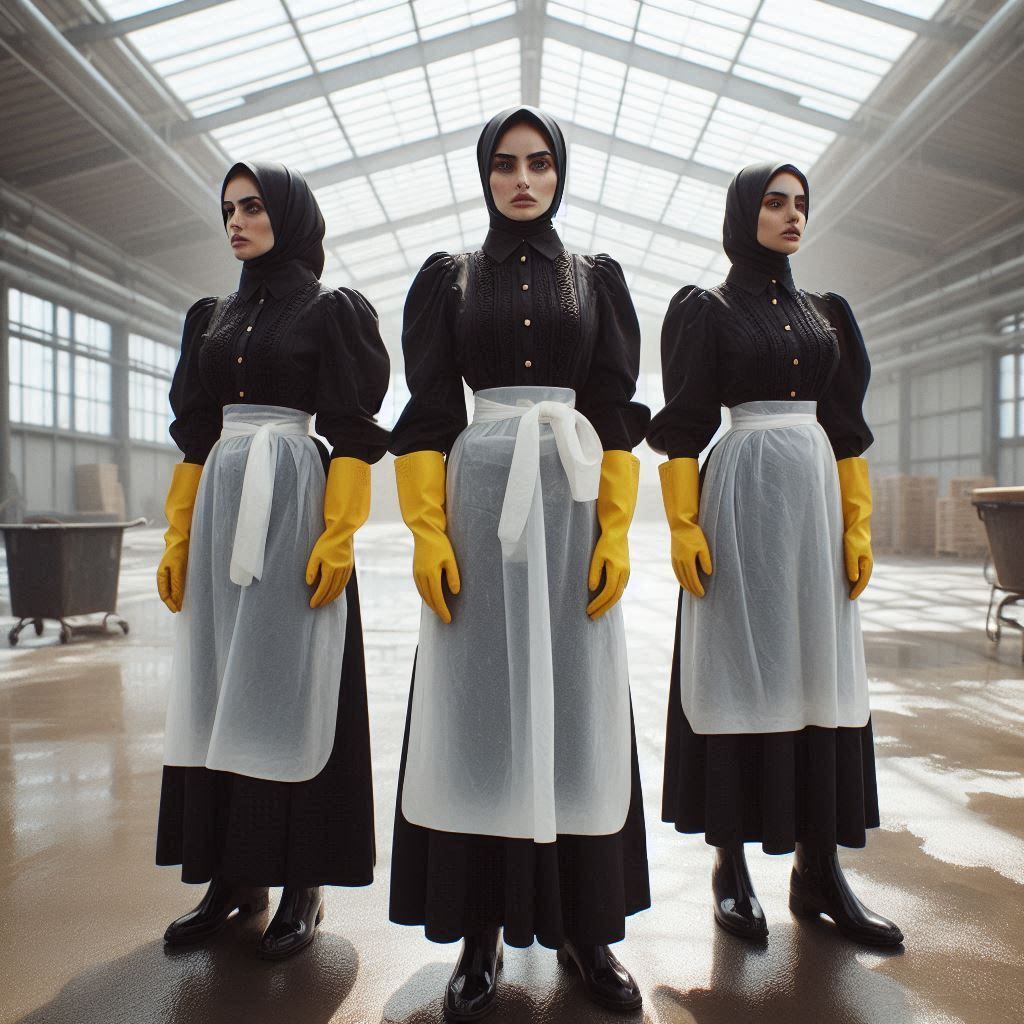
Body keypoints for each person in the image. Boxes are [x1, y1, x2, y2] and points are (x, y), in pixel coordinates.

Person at [388, 107, 651, 1017]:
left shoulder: (596, 279)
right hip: (480, 502)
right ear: (485, 175)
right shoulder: (450, 279)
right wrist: (428, 531)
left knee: (578, 701)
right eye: (505, 164)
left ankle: (587, 929)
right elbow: (429, 412)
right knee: (482, 703)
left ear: (560, 172)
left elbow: (614, 409)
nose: (523, 179)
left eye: (540, 163)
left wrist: (615, 530)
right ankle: (480, 930)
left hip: (572, 502)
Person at [647, 161, 903, 947]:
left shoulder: (827, 313)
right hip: (740, 497)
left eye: (800, 204)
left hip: (816, 504)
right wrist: (683, 523)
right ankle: (729, 867)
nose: (792, 215)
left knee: (818, 671)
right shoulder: (706, 310)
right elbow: (684, 423)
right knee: (738, 666)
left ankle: (819, 872)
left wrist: (857, 523)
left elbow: (847, 427)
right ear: (742, 214)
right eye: (774, 203)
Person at [154, 160, 390, 959]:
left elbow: (353, 427)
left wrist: (339, 530)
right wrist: (179, 534)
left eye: (252, 207)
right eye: (228, 209)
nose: (236, 221)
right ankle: (232, 879)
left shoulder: (331, 310)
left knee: (294, 684)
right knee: (223, 683)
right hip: (223, 501)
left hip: (293, 498)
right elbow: (195, 431)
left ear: (289, 215)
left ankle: (303, 885)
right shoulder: (212, 316)